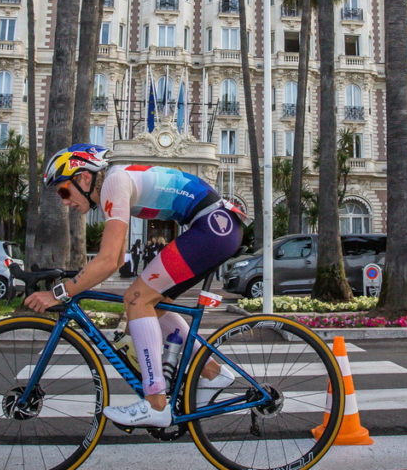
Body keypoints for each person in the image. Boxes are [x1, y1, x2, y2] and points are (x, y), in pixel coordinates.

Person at [24, 143, 246, 428]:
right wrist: (77, 280)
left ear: (83, 178)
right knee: (151, 303)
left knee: (137, 299)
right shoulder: (117, 182)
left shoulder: (114, 183)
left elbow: (107, 261)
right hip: (217, 226)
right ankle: (213, 372)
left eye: (63, 191)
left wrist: (59, 293)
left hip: (213, 227)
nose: (64, 201)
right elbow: (116, 259)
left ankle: (155, 404)